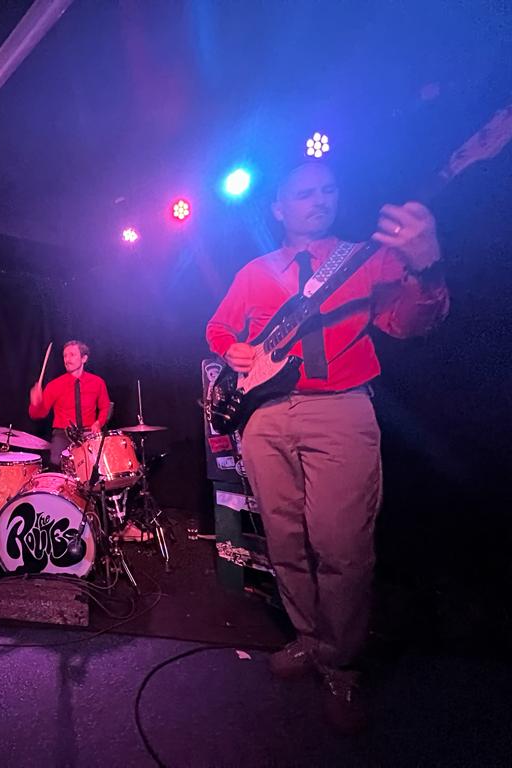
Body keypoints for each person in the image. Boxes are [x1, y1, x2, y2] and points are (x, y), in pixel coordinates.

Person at [206, 161, 448, 733]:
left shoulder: (367, 258)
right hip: (265, 415)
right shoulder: (255, 271)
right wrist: (231, 349)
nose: (319, 200)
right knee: (284, 541)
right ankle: (309, 639)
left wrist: (427, 265)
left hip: (340, 407)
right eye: (304, 193)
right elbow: (218, 328)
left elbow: (412, 323)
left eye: (328, 189)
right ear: (278, 208)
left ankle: (340, 663)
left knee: (343, 546)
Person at [29, 340, 112, 468]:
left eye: (72, 355)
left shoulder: (97, 382)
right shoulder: (54, 385)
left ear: (84, 358)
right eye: (65, 356)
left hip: (88, 433)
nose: (67, 360)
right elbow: (37, 414)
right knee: (57, 466)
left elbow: (105, 407)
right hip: (63, 435)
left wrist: (98, 422)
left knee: (97, 468)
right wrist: (35, 404)